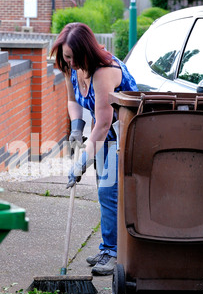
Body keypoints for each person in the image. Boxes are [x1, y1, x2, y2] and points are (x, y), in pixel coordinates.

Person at [50, 22, 138, 276]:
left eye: (76, 58)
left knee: (107, 191)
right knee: (106, 193)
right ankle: (108, 247)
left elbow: (102, 124)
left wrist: (81, 162)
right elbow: (72, 100)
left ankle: (114, 253)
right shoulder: (70, 65)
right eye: (67, 57)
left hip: (126, 134)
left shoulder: (104, 72)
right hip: (105, 136)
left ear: (87, 51)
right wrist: (76, 126)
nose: (71, 63)